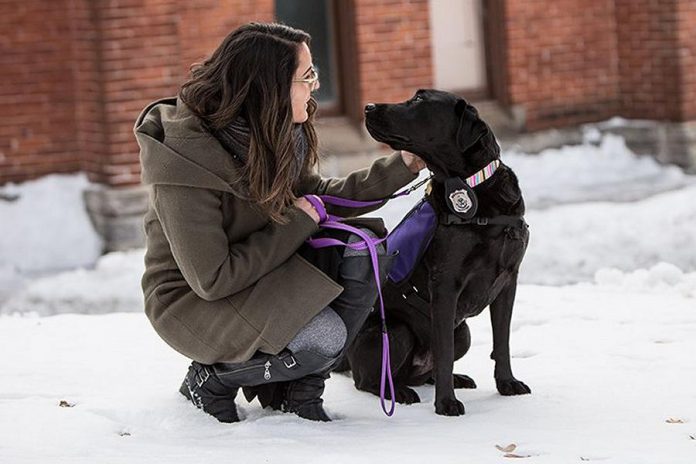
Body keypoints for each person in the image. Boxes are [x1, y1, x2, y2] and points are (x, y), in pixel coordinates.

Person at [134, 22, 426, 423]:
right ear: (267, 87)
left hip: (257, 276)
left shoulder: (268, 134)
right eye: (306, 76)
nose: (315, 85)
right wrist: (295, 223)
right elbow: (213, 278)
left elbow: (320, 198)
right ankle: (212, 379)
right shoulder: (187, 164)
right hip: (192, 301)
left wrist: (405, 166)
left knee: (366, 252)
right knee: (323, 338)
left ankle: (298, 392)